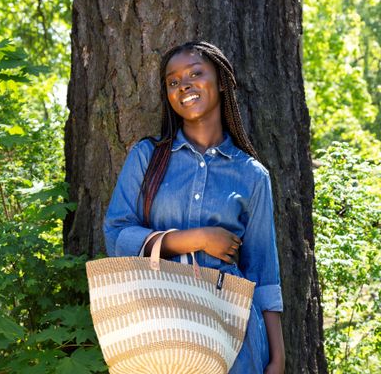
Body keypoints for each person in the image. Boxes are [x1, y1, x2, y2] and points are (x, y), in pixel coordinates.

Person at [104, 41, 285, 374]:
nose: (183, 85)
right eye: (173, 81)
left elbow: (263, 271)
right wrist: (197, 238)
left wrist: (277, 358)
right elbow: (115, 235)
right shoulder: (147, 157)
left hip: (234, 337)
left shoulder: (252, 174)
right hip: (157, 330)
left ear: (220, 80)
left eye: (195, 74)